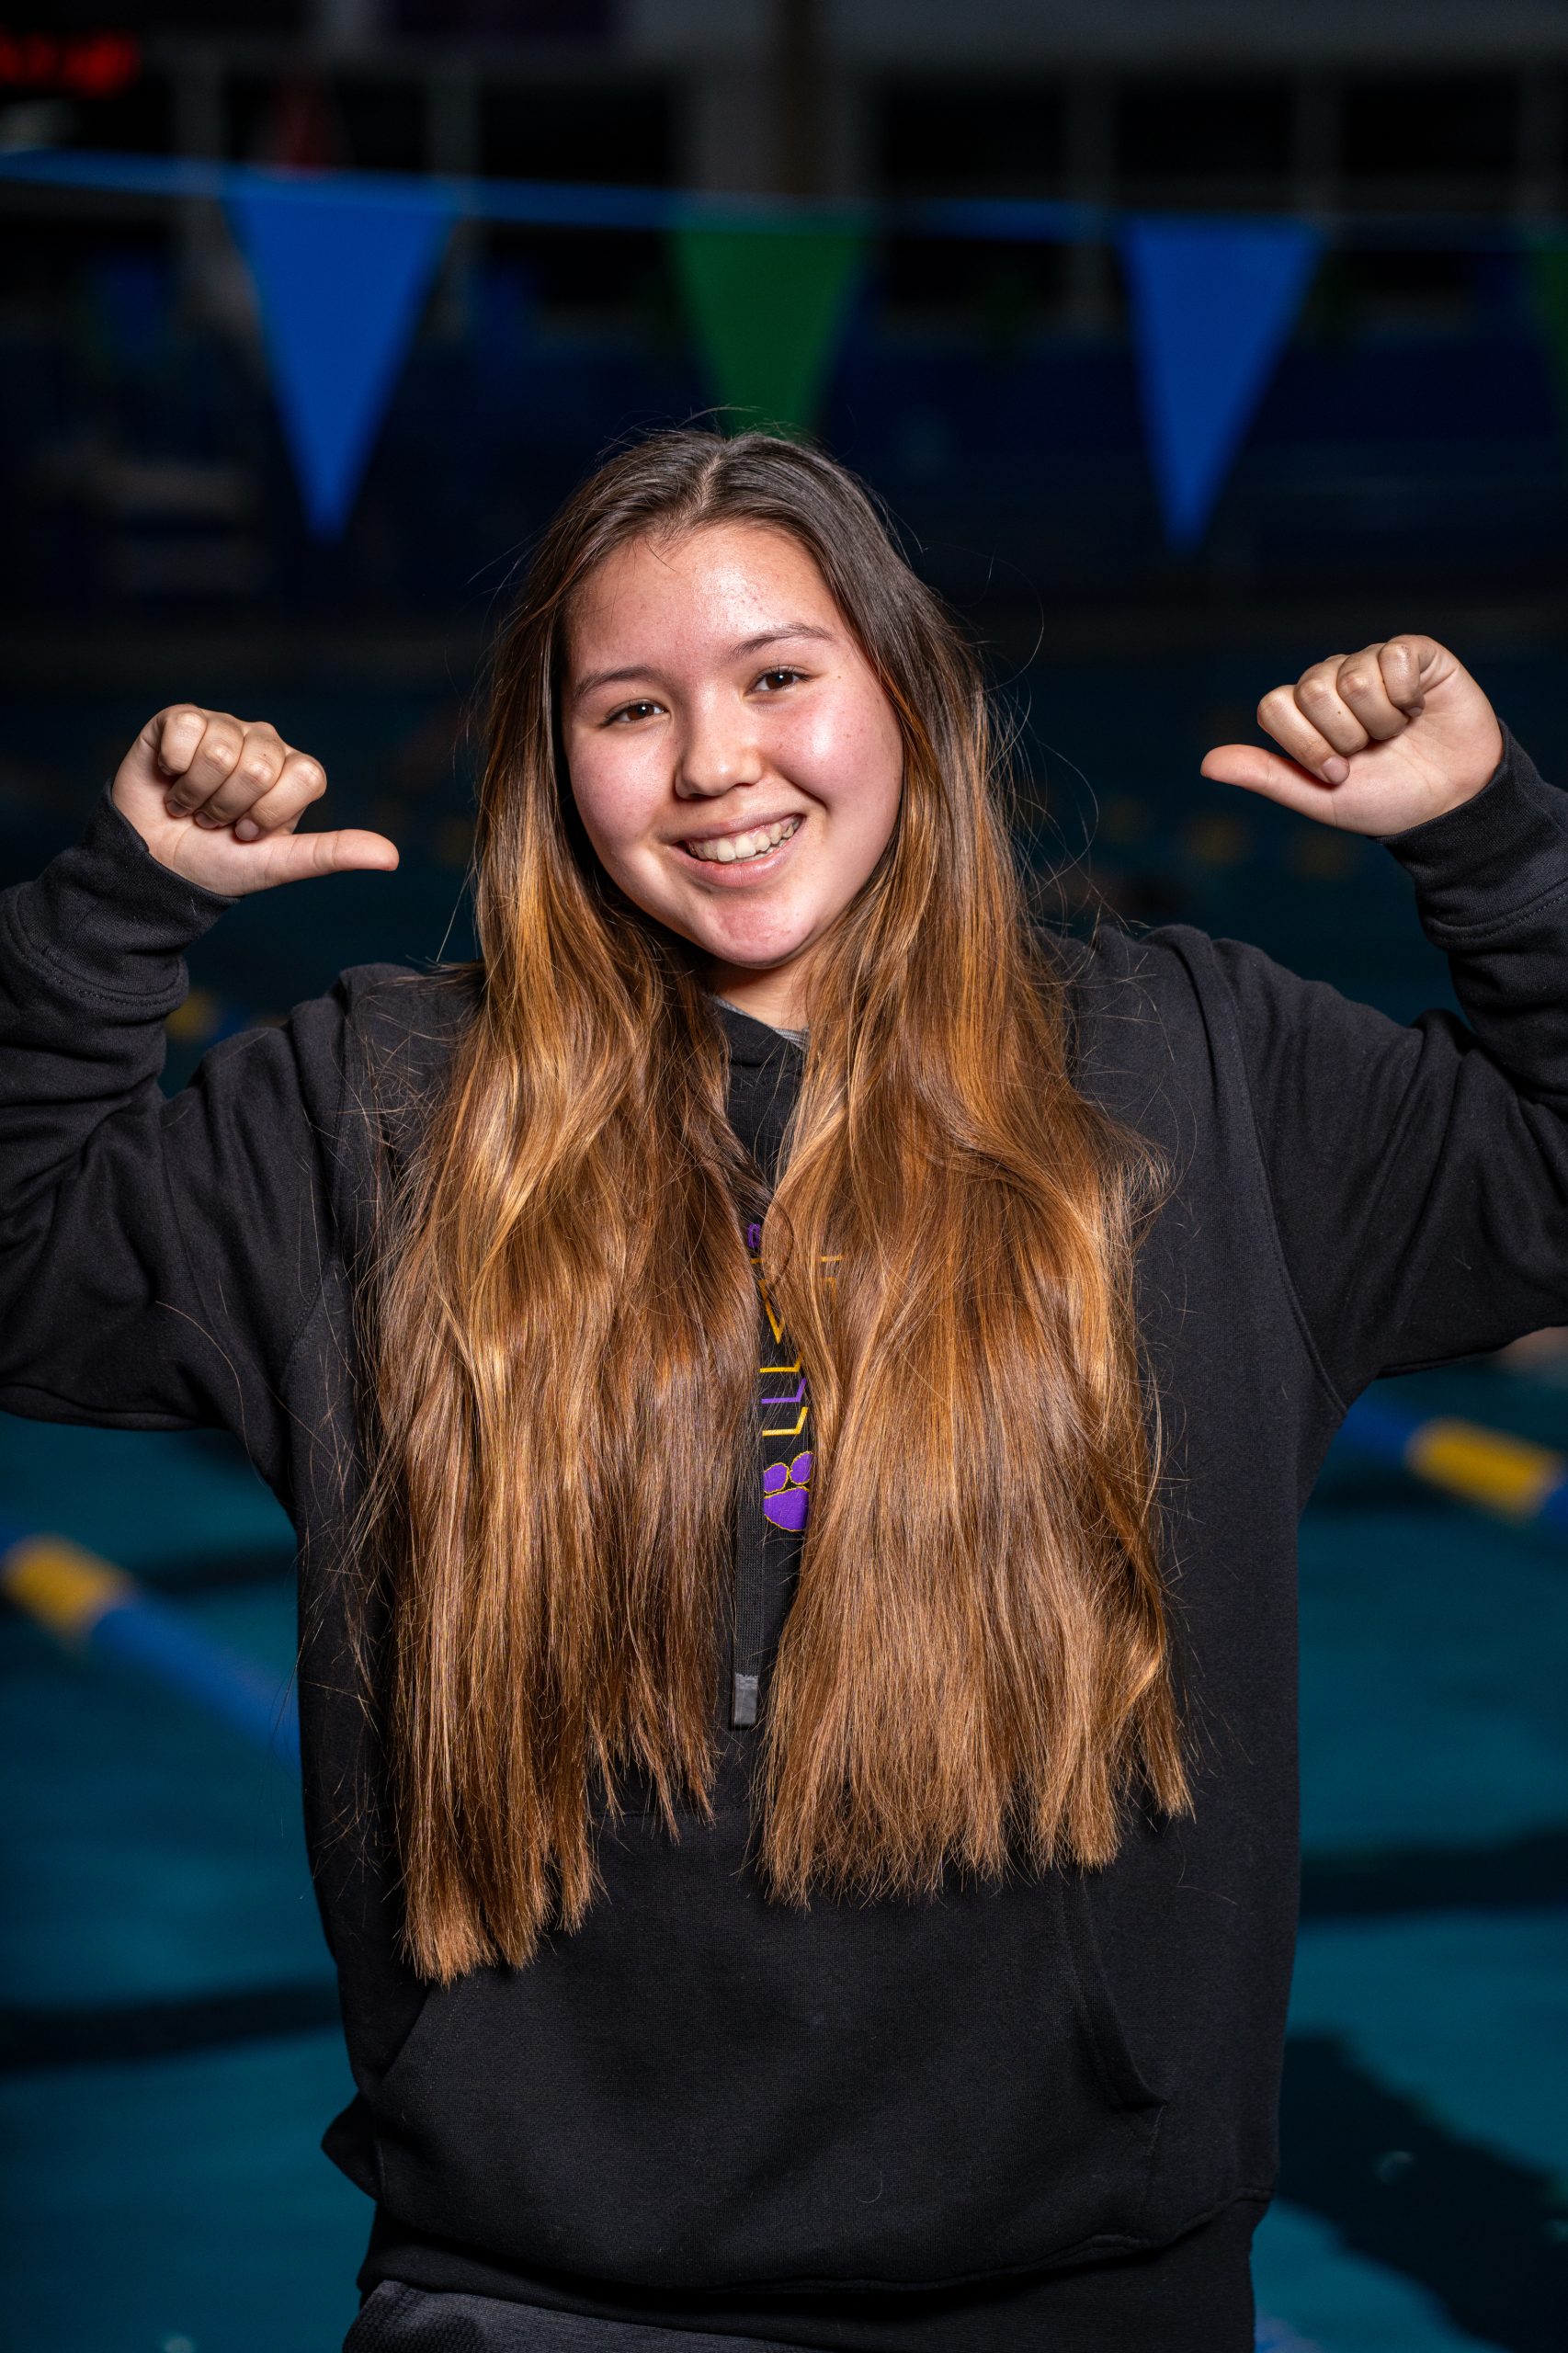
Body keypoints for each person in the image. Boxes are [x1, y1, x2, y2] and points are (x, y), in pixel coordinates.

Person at [0, 427, 1562, 2353]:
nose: (714, 764)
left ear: (904, 693)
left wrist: (1488, 838)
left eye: (776, 676)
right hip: (533, 2298)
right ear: (552, 761)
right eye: (629, 708)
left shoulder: (1191, 1071)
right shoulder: (374, 1116)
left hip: (1086, 2291)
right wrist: (118, 909)